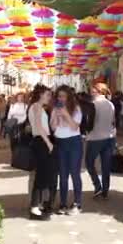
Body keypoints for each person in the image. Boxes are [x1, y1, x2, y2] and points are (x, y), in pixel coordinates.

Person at [50, 85, 83, 215]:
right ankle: (63, 203)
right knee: (62, 175)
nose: (61, 99)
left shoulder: (76, 109)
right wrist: (57, 117)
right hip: (60, 143)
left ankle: (77, 203)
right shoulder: (55, 109)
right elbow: (53, 128)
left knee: (74, 173)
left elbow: (75, 127)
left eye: (63, 96)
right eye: (59, 96)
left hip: (74, 142)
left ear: (69, 97)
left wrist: (65, 114)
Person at [28, 84, 56, 219]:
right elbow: (39, 127)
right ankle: (34, 207)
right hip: (41, 141)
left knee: (42, 175)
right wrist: (49, 142)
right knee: (41, 176)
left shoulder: (36, 107)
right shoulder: (37, 107)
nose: (49, 97)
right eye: (47, 94)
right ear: (40, 95)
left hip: (40, 141)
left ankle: (37, 205)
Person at [85, 83, 116, 199]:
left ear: (98, 92)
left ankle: (97, 185)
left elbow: (89, 123)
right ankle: (105, 190)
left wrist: (86, 131)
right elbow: (113, 122)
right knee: (106, 166)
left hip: (95, 138)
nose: (91, 93)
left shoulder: (93, 104)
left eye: (93, 91)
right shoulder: (110, 104)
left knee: (89, 162)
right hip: (109, 138)